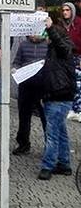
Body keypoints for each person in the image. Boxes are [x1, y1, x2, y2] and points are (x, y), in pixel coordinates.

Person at [37, 14, 76, 180]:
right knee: (60, 131)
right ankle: (64, 163)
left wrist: (50, 28)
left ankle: (48, 166)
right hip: (56, 94)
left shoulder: (62, 48)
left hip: (59, 95)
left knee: (52, 132)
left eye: (47, 36)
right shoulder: (53, 51)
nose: (45, 38)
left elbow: (61, 45)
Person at [11, 32, 48, 155]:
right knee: (24, 116)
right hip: (26, 85)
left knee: (45, 118)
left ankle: (49, 145)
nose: (34, 35)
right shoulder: (23, 45)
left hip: (43, 86)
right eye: (32, 32)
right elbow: (16, 61)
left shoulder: (48, 46)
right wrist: (15, 68)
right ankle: (23, 143)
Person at [60, 2, 81, 121]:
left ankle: (78, 109)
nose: (65, 12)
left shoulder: (79, 23)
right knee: (66, 83)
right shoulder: (61, 24)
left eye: (67, 10)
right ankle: (70, 108)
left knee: (78, 84)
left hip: (77, 56)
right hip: (64, 58)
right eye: (63, 10)